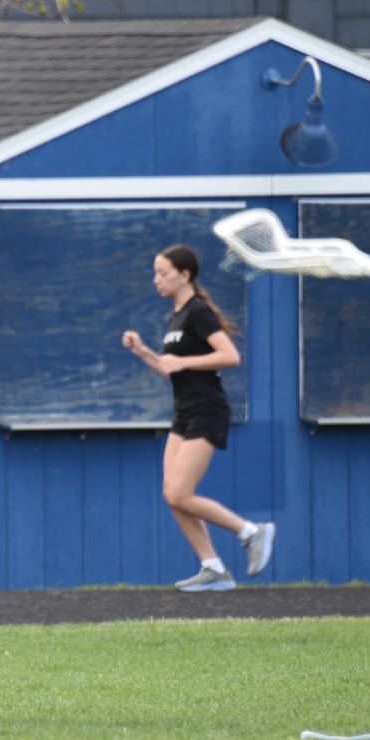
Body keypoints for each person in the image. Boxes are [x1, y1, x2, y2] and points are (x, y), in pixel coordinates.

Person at [120, 245, 275, 592]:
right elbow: (170, 368)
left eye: (163, 272)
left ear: (184, 275)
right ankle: (213, 568)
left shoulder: (197, 312)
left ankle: (251, 531)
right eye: (155, 272)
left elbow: (229, 356)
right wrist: (144, 351)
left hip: (208, 410)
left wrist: (184, 362)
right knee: (171, 493)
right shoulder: (175, 318)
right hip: (184, 413)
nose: (156, 279)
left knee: (180, 492)